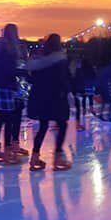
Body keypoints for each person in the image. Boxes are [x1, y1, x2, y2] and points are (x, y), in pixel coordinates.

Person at [26, 34, 73, 171]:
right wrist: (68, 92)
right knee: (62, 125)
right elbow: (64, 79)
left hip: (41, 98)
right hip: (56, 98)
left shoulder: (40, 61)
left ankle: (35, 157)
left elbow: (32, 79)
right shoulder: (60, 60)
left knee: (43, 127)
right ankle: (58, 157)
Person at [0, 23, 24, 164]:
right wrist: (22, 73)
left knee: (0, 118)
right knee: (9, 119)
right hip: (5, 87)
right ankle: (8, 151)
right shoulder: (11, 49)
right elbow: (9, 70)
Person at [74, 58, 97, 126]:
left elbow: (79, 77)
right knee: (90, 98)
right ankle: (91, 109)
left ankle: (84, 110)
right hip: (90, 85)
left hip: (84, 85)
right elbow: (94, 75)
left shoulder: (82, 69)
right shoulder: (91, 68)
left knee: (84, 98)